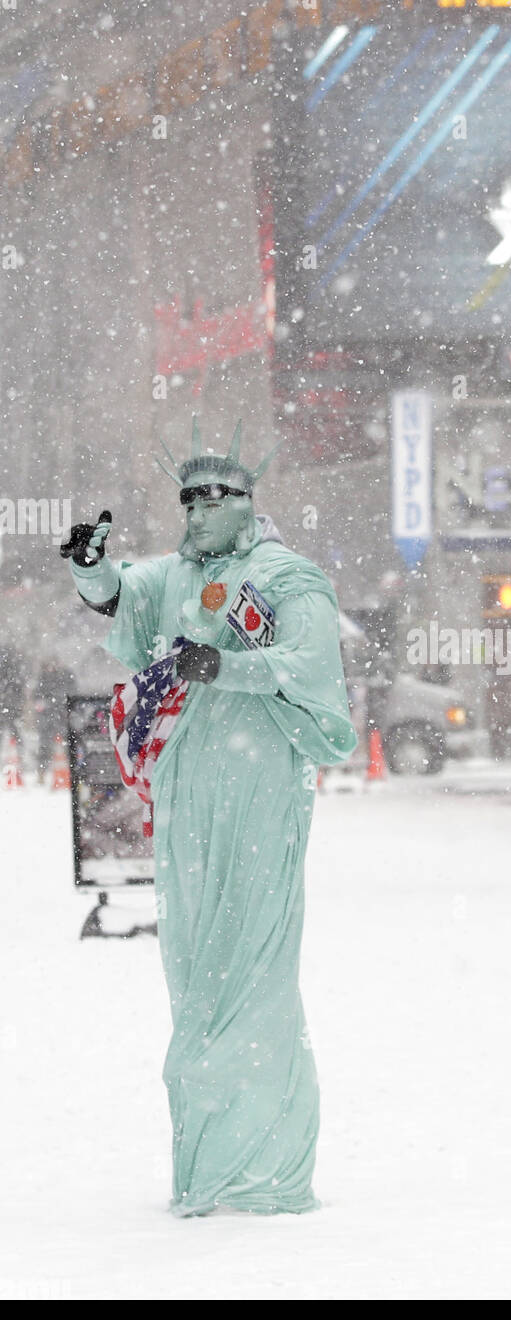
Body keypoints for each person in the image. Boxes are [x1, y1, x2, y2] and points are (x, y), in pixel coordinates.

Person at [60, 418, 357, 1218]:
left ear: (246, 503)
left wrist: (224, 664)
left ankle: (266, 1169)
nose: (191, 516)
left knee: (254, 965)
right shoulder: (178, 577)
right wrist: (90, 569)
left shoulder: (288, 577)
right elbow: (124, 593)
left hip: (261, 790)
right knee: (195, 967)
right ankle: (210, 1159)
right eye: (185, 501)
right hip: (189, 794)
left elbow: (309, 665)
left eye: (207, 500)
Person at [34, 660, 76, 782]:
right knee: (48, 745)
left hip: (58, 715)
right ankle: (43, 773)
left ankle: (71, 771)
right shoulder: (46, 678)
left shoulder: (61, 677)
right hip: (52, 716)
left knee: (65, 744)